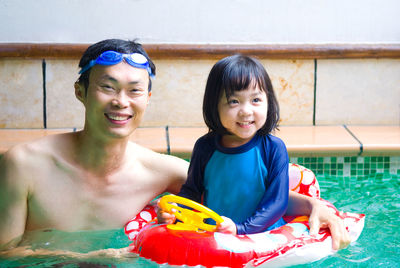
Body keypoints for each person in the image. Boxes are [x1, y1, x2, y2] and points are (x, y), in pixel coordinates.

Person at [0, 39, 350, 254]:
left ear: (148, 99)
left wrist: (313, 204)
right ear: (81, 92)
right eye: (108, 87)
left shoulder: (159, 171)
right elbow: (5, 254)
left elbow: (240, 191)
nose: (122, 102)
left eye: (135, 90)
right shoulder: (22, 166)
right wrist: (102, 258)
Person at [159, 55, 288, 235]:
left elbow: (277, 202)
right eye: (234, 101)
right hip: (216, 235)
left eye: (256, 100)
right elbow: (192, 192)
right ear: (214, 106)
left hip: (263, 235)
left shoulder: (273, 148)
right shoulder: (205, 147)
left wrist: (241, 228)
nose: (246, 111)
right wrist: (174, 212)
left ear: (269, 102)